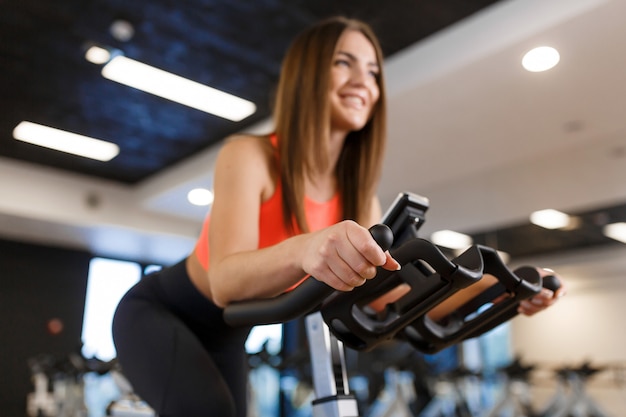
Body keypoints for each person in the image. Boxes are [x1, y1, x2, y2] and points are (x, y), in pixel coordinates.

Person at [112, 16, 565, 417]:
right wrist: (307, 247)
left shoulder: (356, 195)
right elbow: (224, 283)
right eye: (344, 63)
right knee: (207, 410)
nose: (363, 81)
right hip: (162, 312)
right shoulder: (249, 156)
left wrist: (499, 292)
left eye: (373, 72)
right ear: (307, 75)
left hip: (231, 333)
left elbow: (386, 297)